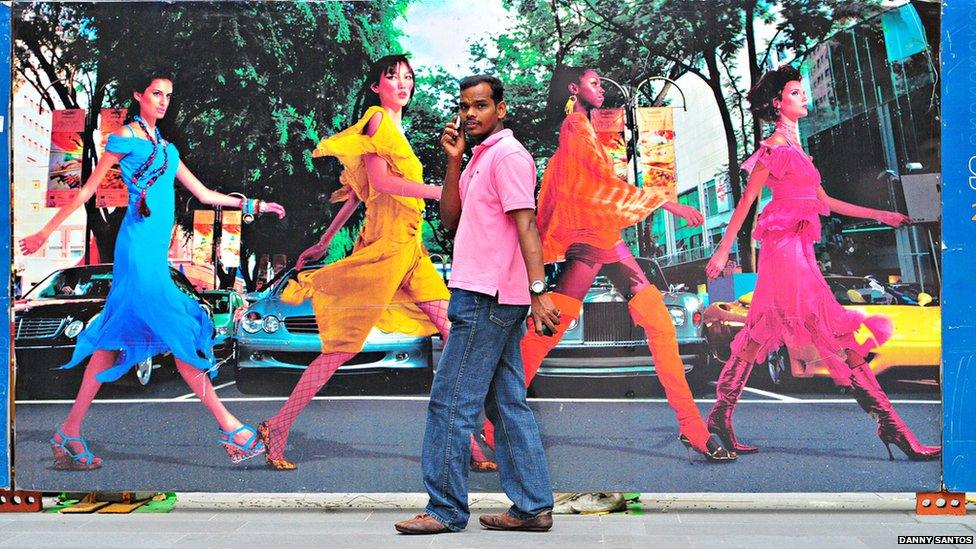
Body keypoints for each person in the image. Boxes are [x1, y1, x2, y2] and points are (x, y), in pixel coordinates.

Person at [18, 70, 285, 470]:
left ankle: (68, 431)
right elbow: (88, 191)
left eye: (168, 96)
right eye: (156, 93)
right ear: (138, 95)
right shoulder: (124, 139)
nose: (163, 101)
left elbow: (205, 194)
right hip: (137, 248)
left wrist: (255, 206)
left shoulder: (168, 150)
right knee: (175, 328)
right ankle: (231, 428)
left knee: (112, 339)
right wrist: (45, 232)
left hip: (153, 254)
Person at [479, 66, 734, 462]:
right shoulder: (574, 128)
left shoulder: (584, 128)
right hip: (591, 236)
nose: (600, 89)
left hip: (606, 235)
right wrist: (669, 203)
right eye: (594, 82)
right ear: (574, 88)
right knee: (549, 330)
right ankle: (489, 427)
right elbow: (599, 185)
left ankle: (692, 427)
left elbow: (597, 185)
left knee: (659, 321)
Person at [703, 64, 939, 461]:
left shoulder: (799, 150)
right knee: (829, 328)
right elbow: (747, 202)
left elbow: (825, 204)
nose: (804, 97)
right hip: (784, 251)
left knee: (762, 331)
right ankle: (893, 427)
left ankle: (720, 414)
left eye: (802, 91)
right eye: (795, 93)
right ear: (777, 103)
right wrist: (724, 250)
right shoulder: (774, 148)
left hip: (799, 251)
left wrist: (883, 216)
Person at [256, 54, 459, 470]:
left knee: (452, 334)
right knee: (340, 349)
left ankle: (468, 443)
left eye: (408, 77)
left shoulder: (396, 130)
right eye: (392, 77)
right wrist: (441, 192)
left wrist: (323, 240)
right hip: (385, 251)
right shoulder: (377, 121)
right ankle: (277, 425)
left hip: (412, 252)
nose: (402, 84)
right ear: (375, 86)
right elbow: (381, 184)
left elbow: (358, 194)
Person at [395, 76, 556, 534]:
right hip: (486, 294)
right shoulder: (479, 158)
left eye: (480, 106)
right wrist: (453, 161)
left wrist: (539, 291)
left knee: (450, 403)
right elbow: (450, 220)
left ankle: (444, 509)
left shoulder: (508, 156)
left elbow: (527, 226)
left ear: (501, 109)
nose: (470, 114)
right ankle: (532, 507)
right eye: (464, 106)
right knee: (506, 403)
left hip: (487, 296)